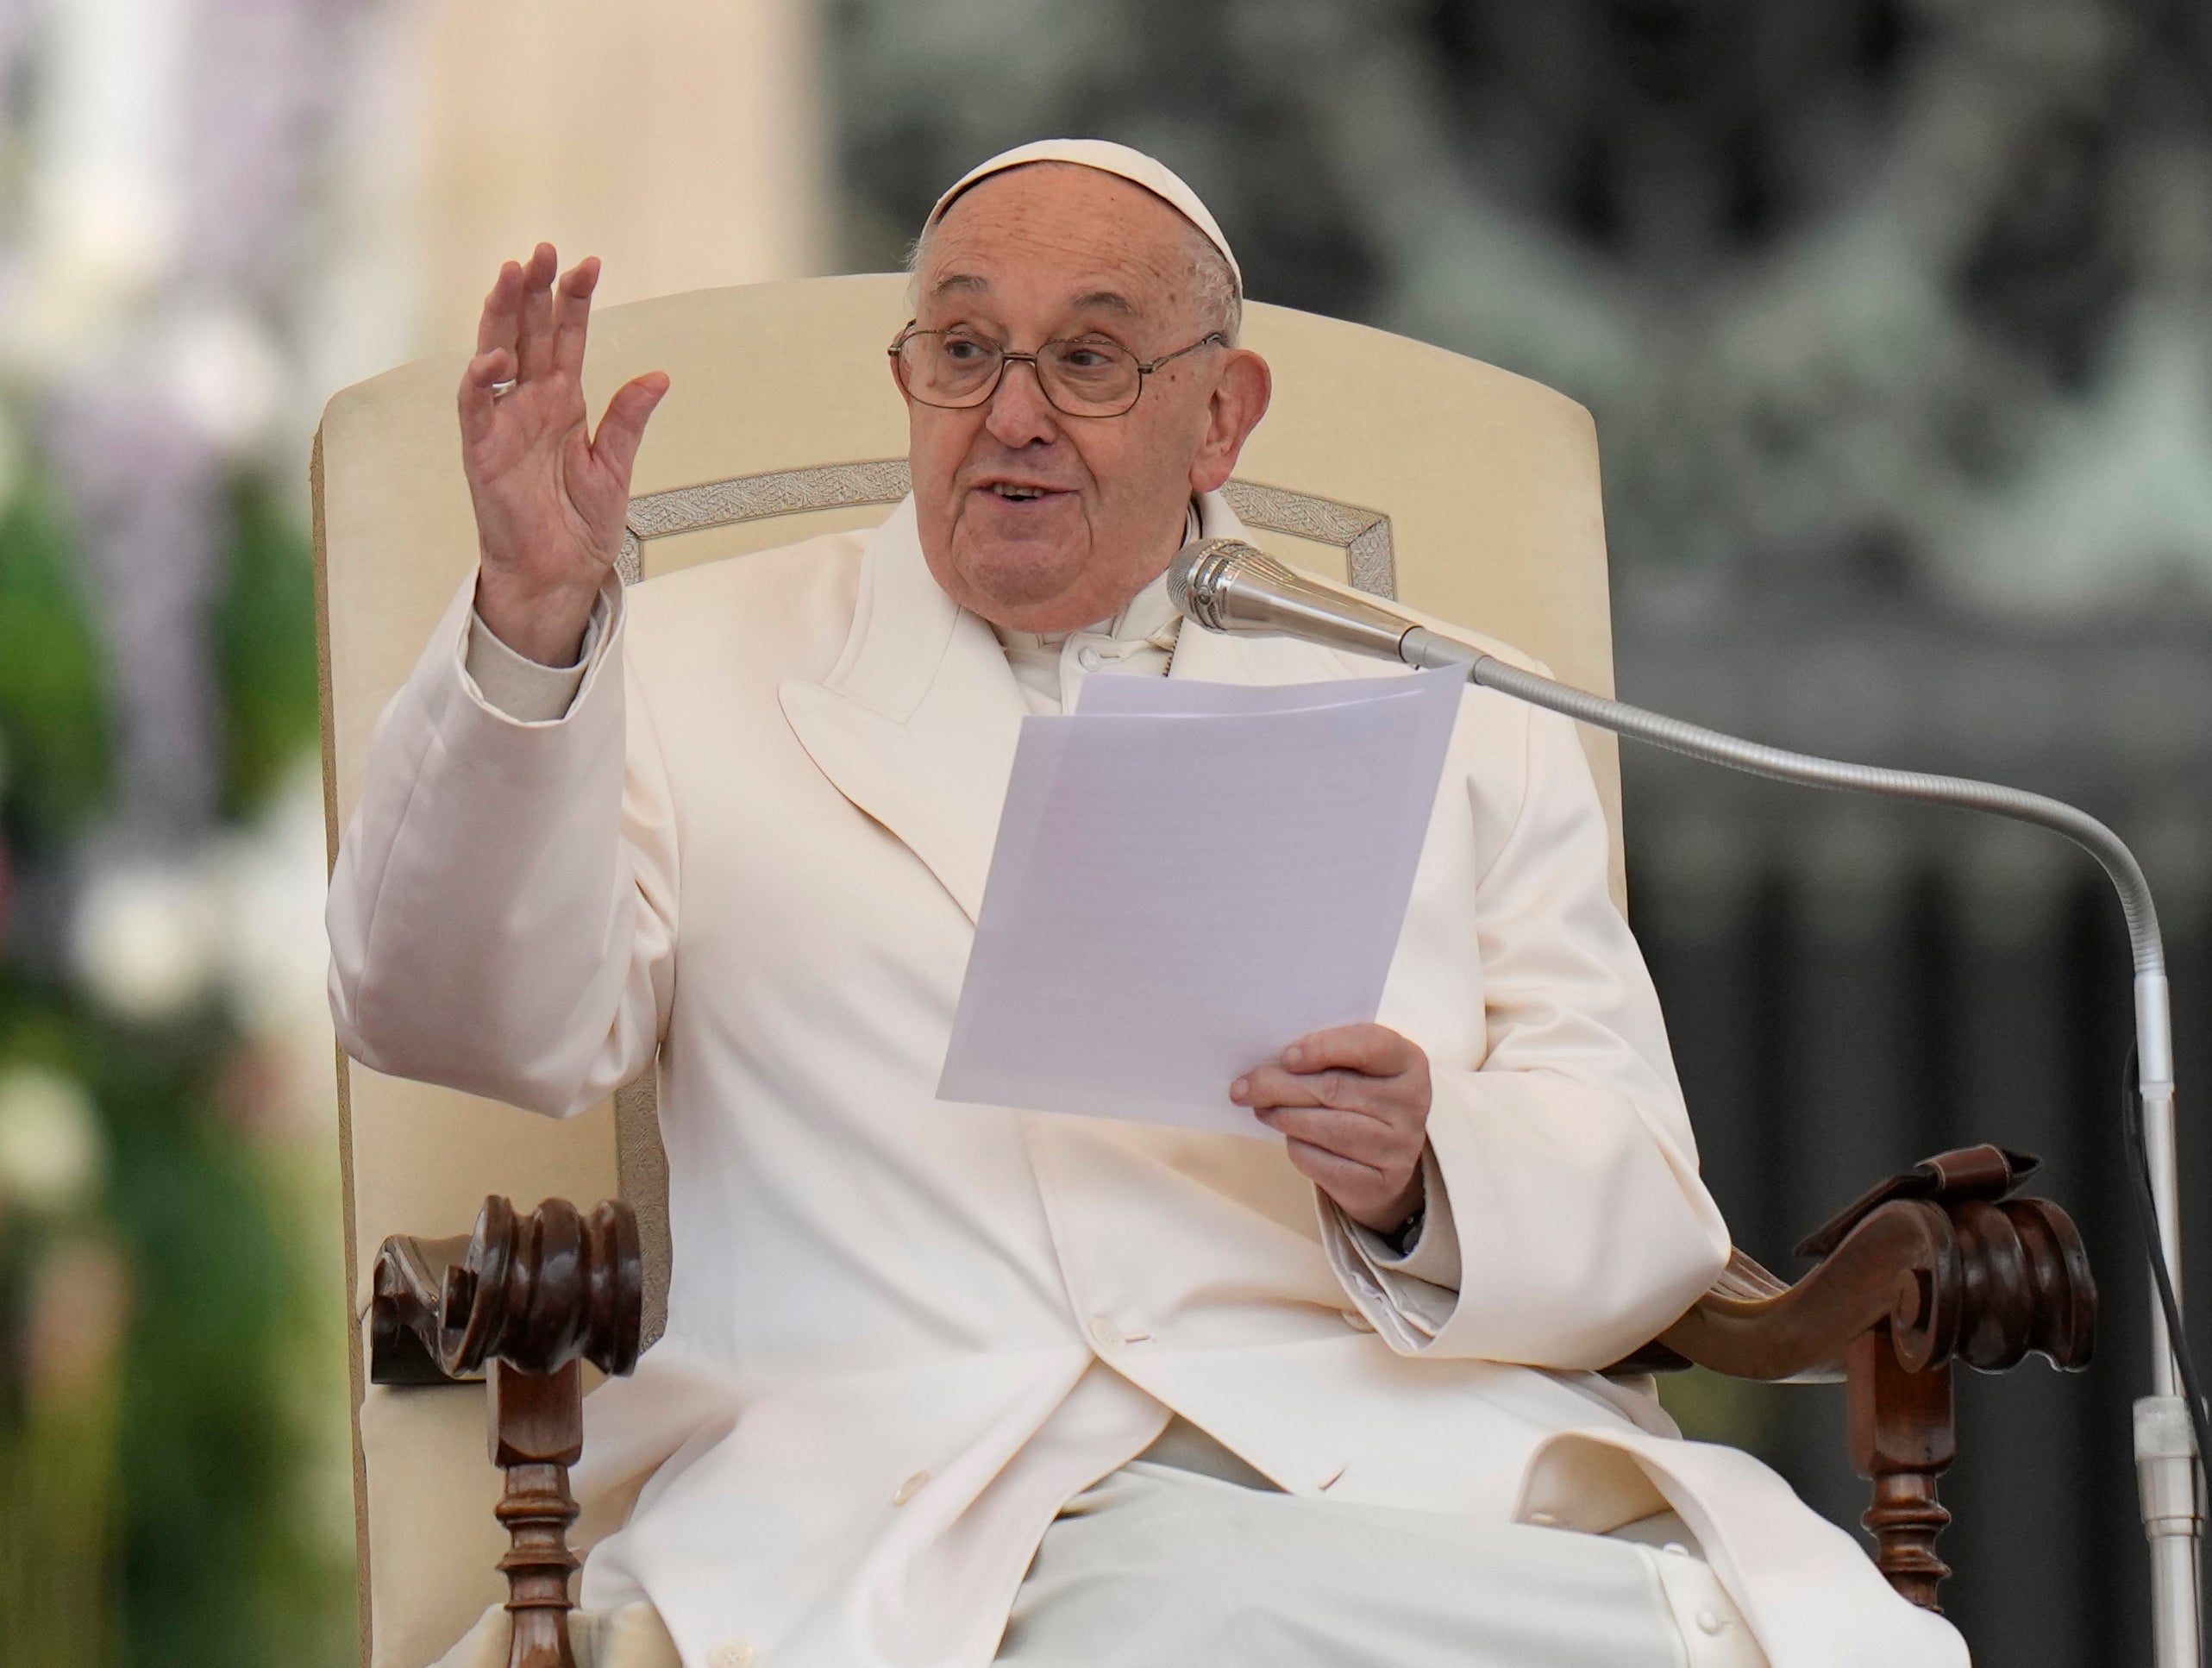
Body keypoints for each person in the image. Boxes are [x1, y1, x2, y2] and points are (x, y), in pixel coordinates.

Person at [329, 140, 1964, 1668]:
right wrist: (532, 622)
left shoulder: (1455, 707)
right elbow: (453, 1011)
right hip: (920, 1500)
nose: (1012, 413)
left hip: (1392, 1480)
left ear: (1222, 414)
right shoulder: (684, 667)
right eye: (963, 352)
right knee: (1193, 1614)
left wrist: (1427, 1174)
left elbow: (1644, 1198)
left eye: (1088, 360)